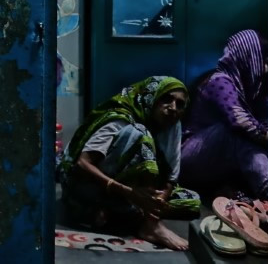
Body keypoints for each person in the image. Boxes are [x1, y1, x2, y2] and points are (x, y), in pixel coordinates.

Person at [58, 76, 200, 251]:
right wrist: (130, 193)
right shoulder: (119, 117)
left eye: (180, 104)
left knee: (192, 201)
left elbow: (171, 176)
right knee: (140, 133)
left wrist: (158, 200)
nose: (172, 108)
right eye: (166, 99)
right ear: (151, 98)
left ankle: (112, 212)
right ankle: (149, 225)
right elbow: (82, 164)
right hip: (86, 184)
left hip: (130, 191)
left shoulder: (172, 125)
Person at [180, 30, 268, 202]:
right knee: (233, 133)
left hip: (219, 165)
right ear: (249, 57)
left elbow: (265, 123)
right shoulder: (219, 81)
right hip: (192, 158)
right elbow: (240, 122)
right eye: (263, 61)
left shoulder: (253, 91)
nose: (266, 69)